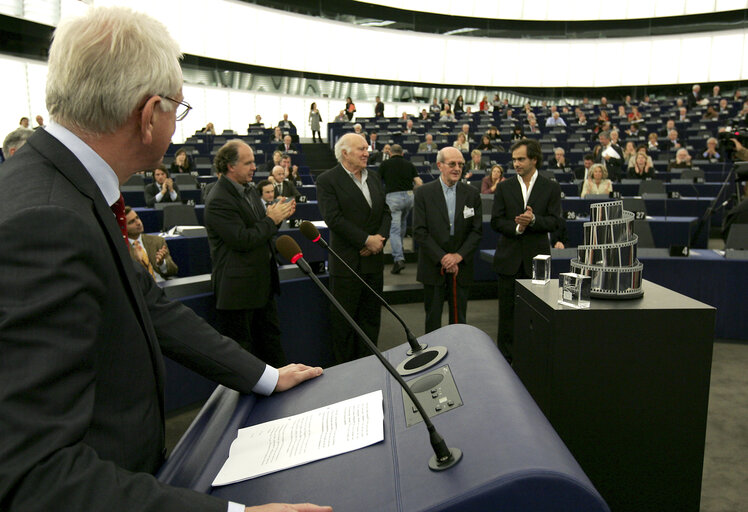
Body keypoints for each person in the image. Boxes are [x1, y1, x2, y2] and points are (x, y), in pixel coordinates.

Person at [0, 7, 328, 512]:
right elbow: (36, 476)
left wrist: (265, 375)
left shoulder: (67, 189)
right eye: (178, 106)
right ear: (149, 113)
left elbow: (152, 307)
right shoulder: (47, 219)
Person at [205, 140, 295, 369]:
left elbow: (261, 231)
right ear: (230, 166)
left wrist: (276, 217)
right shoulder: (218, 199)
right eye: (248, 163)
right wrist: (271, 219)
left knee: (272, 349)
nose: (254, 167)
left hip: (262, 285)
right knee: (244, 361)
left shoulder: (250, 191)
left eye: (254, 161)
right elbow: (243, 240)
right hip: (238, 294)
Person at [315, 133, 391, 365]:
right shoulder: (328, 180)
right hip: (348, 262)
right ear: (345, 153)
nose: (367, 152)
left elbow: (385, 212)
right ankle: (346, 375)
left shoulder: (374, 177)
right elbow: (334, 219)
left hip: (373, 260)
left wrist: (379, 240)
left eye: (367, 148)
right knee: (345, 325)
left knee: (370, 320)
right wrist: (365, 240)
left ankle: (370, 367)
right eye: (361, 149)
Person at [491, 138, 561, 363]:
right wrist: (517, 227)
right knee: (507, 316)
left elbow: (555, 222)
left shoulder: (551, 187)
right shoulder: (504, 186)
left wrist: (533, 221)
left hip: (537, 261)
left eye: (521, 159)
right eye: (514, 160)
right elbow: (496, 221)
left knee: (537, 314)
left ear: (534, 159)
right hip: (508, 260)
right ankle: (506, 361)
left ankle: (535, 360)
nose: (516, 164)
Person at [413, 147, 482, 333]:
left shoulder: (472, 193)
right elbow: (419, 231)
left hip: (462, 266)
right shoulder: (423, 193)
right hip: (433, 265)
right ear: (439, 166)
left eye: (461, 164)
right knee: (433, 318)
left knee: (460, 319)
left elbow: (476, 231)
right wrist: (444, 258)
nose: (457, 168)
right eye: (452, 164)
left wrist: (458, 256)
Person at [378, 144, 422, 274]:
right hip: (409, 197)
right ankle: (400, 248)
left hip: (393, 199)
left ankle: (398, 259)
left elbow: (376, 181)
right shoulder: (409, 164)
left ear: (390, 153)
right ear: (402, 153)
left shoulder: (385, 164)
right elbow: (419, 183)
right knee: (402, 225)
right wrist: (411, 191)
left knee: (394, 230)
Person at [125, 206, 178, 281]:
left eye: (137, 218)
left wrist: (162, 263)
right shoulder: (122, 249)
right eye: (131, 222)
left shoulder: (157, 241)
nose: (138, 223)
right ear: (123, 228)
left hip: (162, 284)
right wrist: (138, 263)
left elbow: (173, 270)